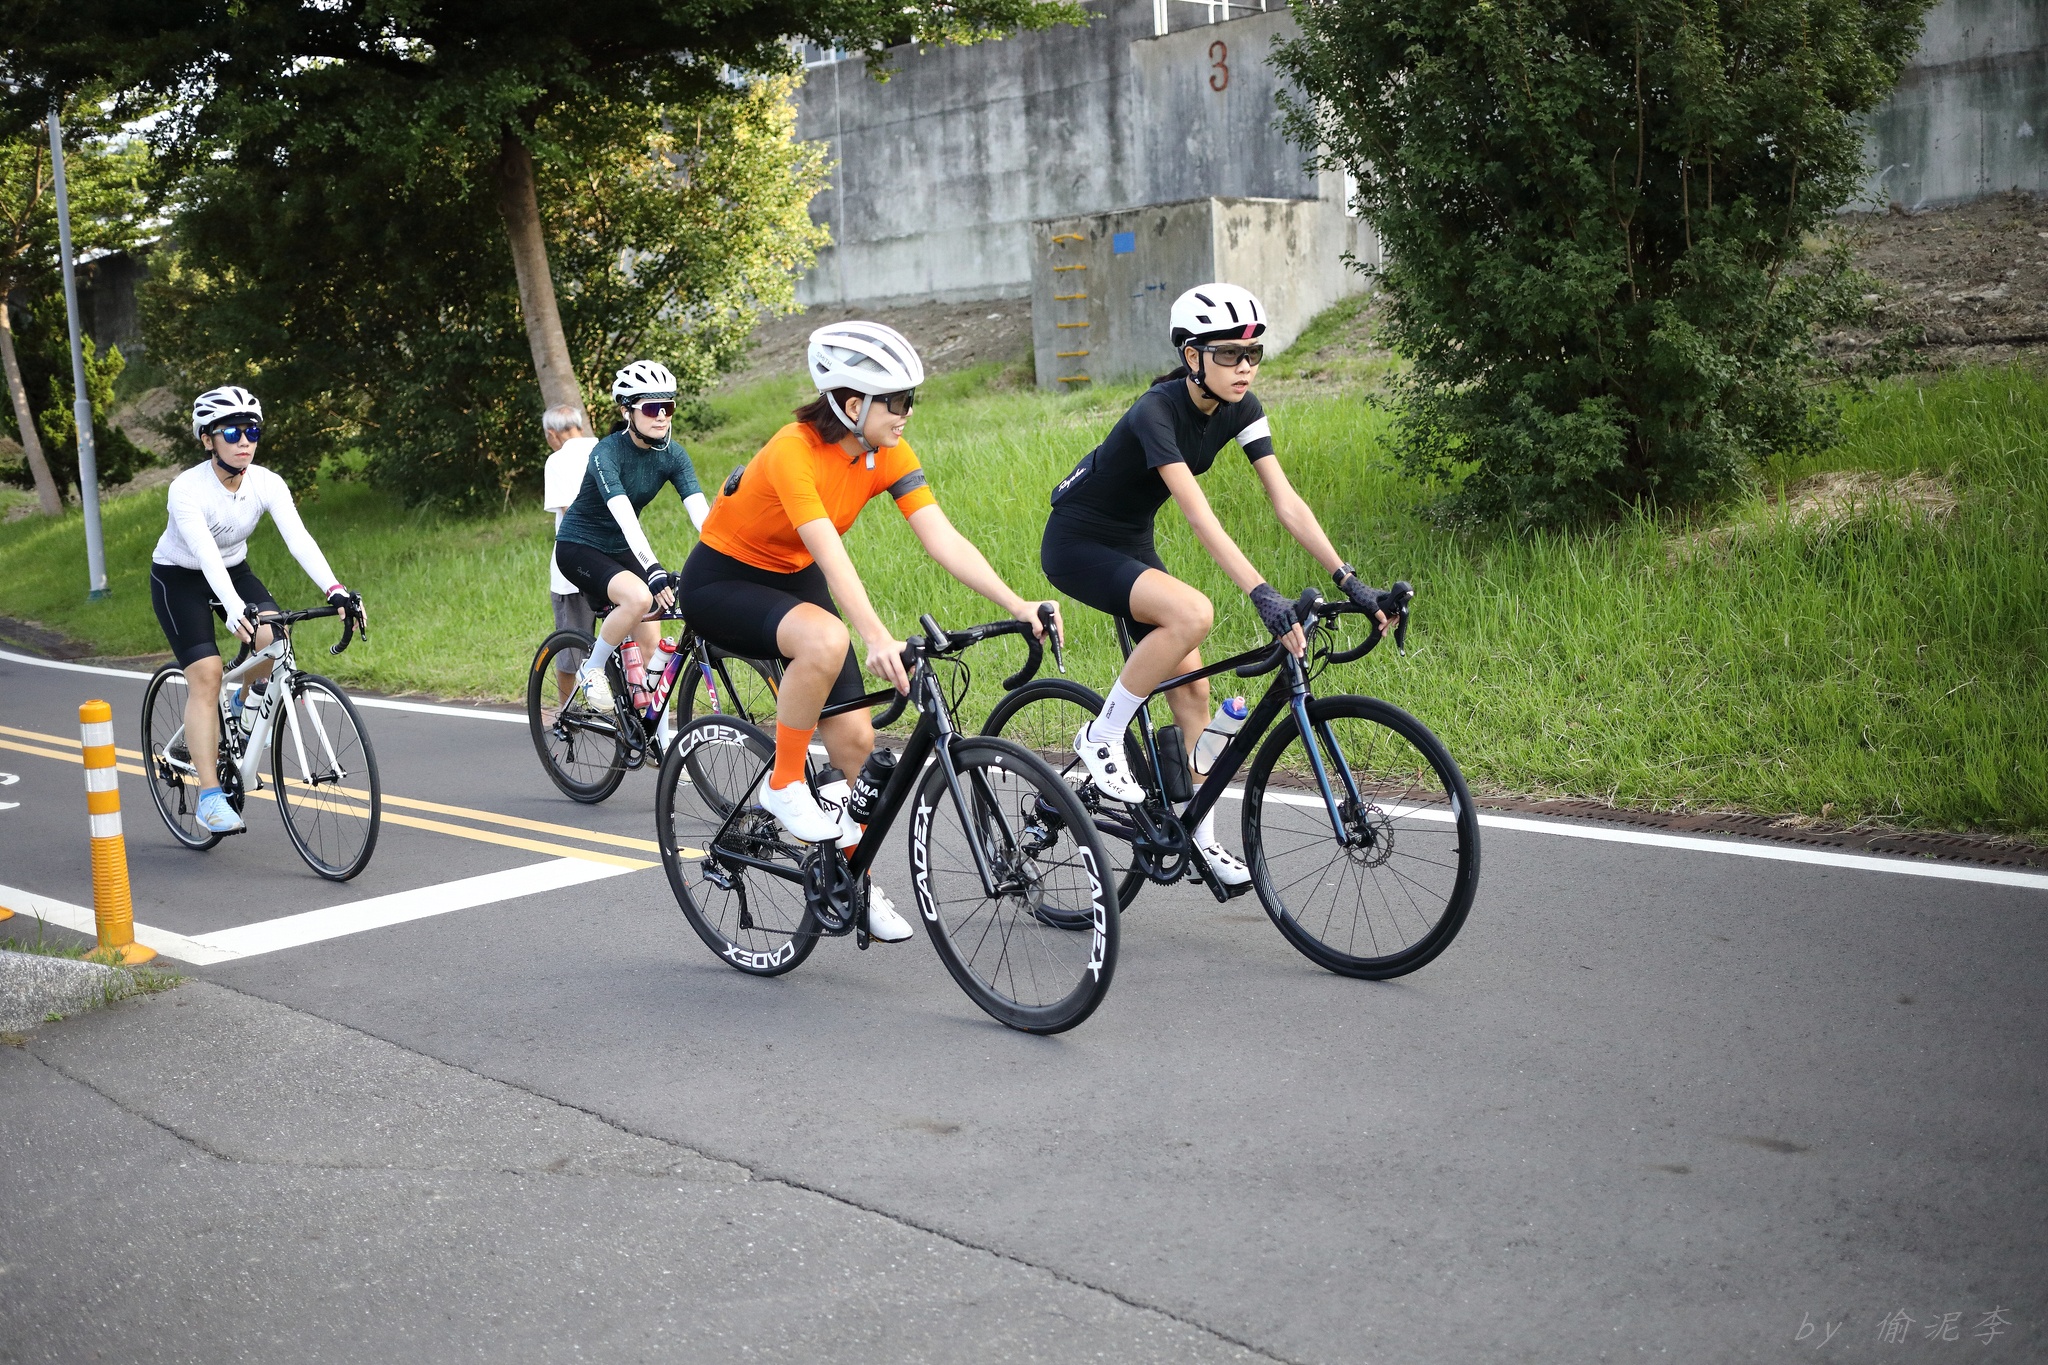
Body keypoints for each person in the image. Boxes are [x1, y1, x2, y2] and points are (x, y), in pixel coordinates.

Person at [680, 321, 1059, 944]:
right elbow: (831, 556)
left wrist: (1017, 604)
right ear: (852, 405)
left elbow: (941, 538)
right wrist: (877, 635)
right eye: (898, 401)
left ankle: (854, 880)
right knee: (827, 640)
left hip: (794, 574)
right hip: (722, 579)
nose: (908, 413)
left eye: (912, 399)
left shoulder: (887, 453)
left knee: (857, 743)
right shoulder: (793, 451)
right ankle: (783, 784)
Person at [1039, 284, 1395, 886]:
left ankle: (1199, 839)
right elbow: (1200, 517)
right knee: (1192, 613)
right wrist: (1261, 592)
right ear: (1191, 356)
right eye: (1229, 354)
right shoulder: (1155, 412)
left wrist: (1350, 580)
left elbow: (1286, 502)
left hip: (1131, 543)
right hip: (1077, 543)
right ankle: (1102, 735)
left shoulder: (1241, 408)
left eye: (1253, 354)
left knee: (1195, 693)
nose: (1244, 367)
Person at [149, 386, 366, 834]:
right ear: (207, 439)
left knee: (273, 638)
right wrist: (232, 609)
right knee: (207, 674)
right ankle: (211, 797)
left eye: (252, 431)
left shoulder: (267, 482)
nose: (244, 440)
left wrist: (335, 590)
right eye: (231, 432)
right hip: (179, 578)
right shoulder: (186, 489)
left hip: (234, 568)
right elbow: (204, 554)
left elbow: (298, 538)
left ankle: (244, 704)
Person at [554, 361, 710, 750]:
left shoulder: (673, 455)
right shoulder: (606, 453)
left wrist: (732, 556)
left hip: (621, 548)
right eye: (651, 408)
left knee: (654, 645)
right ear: (627, 411)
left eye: (668, 407)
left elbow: (703, 517)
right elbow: (624, 515)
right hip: (579, 545)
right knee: (639, 597)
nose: (662, 416)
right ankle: (592, 669)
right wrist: (652, 568)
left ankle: (659, 743)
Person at [540, 402, 601, 705]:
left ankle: (568, 712)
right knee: (622, 647)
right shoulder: (606, 449)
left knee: (569, 649)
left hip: (573, 568)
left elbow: (570, 513)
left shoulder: (557, 460)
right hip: (616, 564)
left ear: (552, 434)